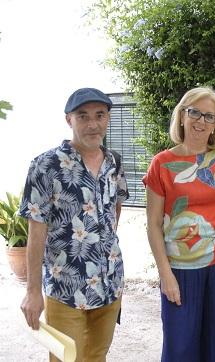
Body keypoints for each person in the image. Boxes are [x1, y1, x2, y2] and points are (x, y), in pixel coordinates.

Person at [143, 86, 215, 362]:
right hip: (180, 270)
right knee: (180, 349)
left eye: (210, 116)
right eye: (195, 112)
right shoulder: (162, 164)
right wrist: (165, 274)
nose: (201, 121)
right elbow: (154, 224)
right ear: (181, 115)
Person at [19, 87, 129, 361]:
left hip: (110, 284)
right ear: (69, 120)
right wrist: (33, 292)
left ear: (108, 118)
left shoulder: (114, 162)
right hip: (66, 288)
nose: (93, 124)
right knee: (66, 358)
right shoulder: (45, 165)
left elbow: (116, 205)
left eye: (100, 115)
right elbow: (36, 232)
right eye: (83, 116)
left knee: (97, 355)